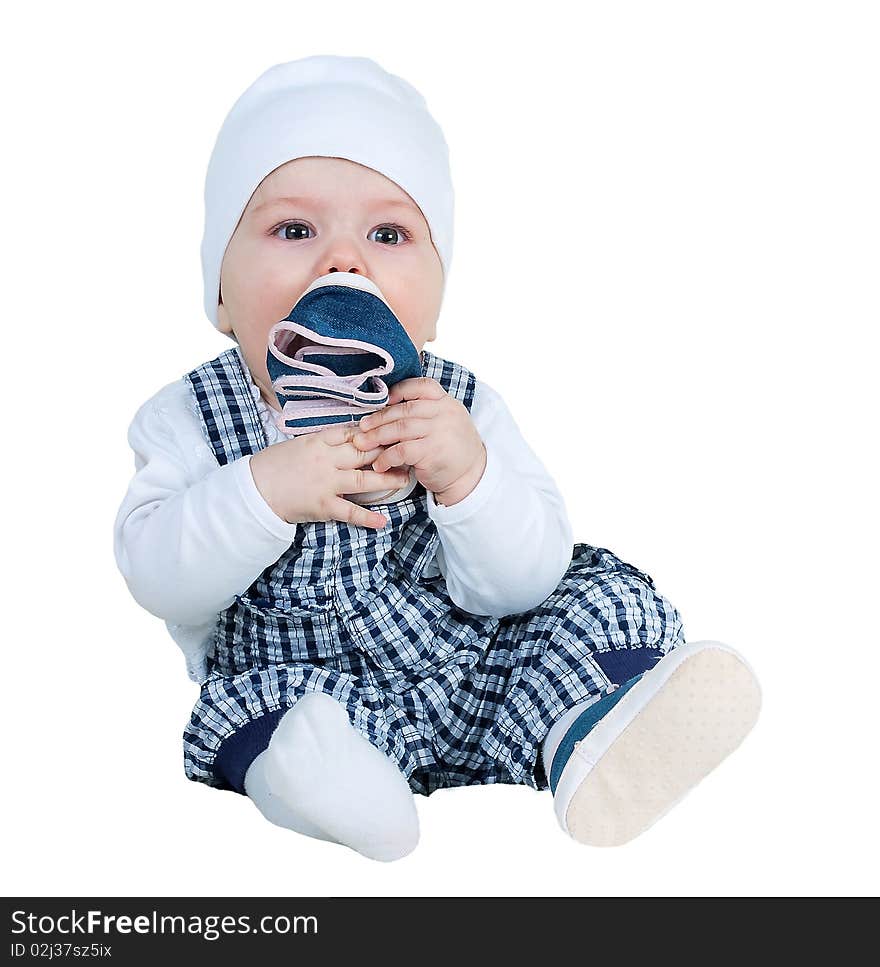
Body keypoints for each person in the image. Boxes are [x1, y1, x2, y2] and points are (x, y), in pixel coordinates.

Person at [113, 54, 761, 862]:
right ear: (220, 290)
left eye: (389, 234)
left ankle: (591, 731)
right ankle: (328, 787)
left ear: (436, 294)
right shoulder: (190, 417)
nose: (343, 262)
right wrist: (260, 492)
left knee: (579, 605)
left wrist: (468, 477)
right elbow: (154, 574)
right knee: (273, 721)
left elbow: (525, 576)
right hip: (311, 685)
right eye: (294, 229)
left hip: (471, 658)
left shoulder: (460, 406)